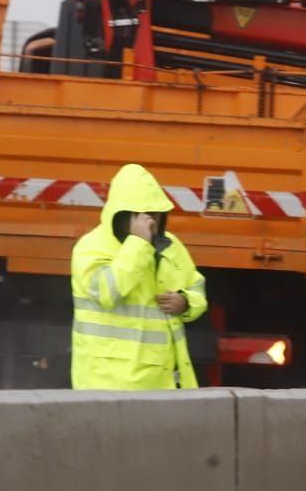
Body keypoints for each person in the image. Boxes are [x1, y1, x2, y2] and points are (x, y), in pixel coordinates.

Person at [71, 163, 208, 390]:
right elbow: (106, 293)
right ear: (122, 215)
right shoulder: (91, 248)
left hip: (163, 383)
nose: (151, 222)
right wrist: (139, 244)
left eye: (155, 214)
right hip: (108, 384)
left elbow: (196, 285)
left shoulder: (170, 246)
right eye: (142, 215)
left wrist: (186, 302)